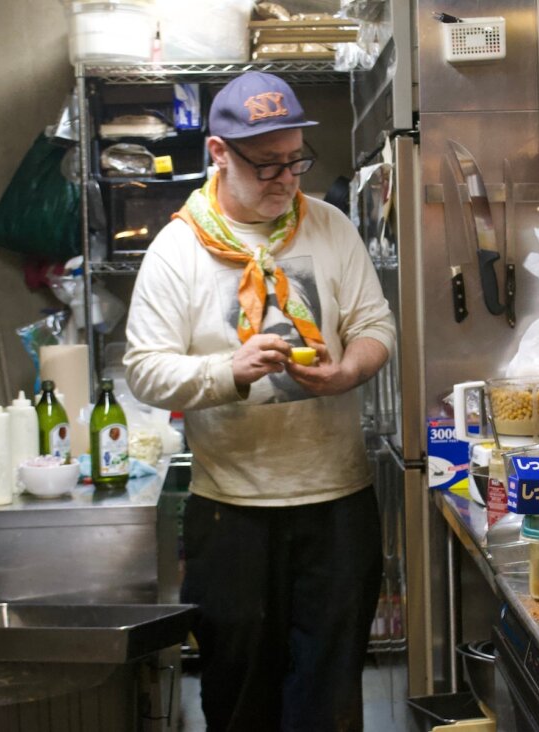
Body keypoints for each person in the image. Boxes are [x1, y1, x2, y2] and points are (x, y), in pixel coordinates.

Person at [122, 71, 396, 731]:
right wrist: (229, 370)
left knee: (328, 698)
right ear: (218, 153)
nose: (286, 179)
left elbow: (375, 329)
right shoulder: (178, 250)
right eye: (266, 164)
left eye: (296, 160)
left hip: (337, 506)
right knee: (240, 694)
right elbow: (144, 369)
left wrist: (348, 371)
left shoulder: (330, 229)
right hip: (232, 517)